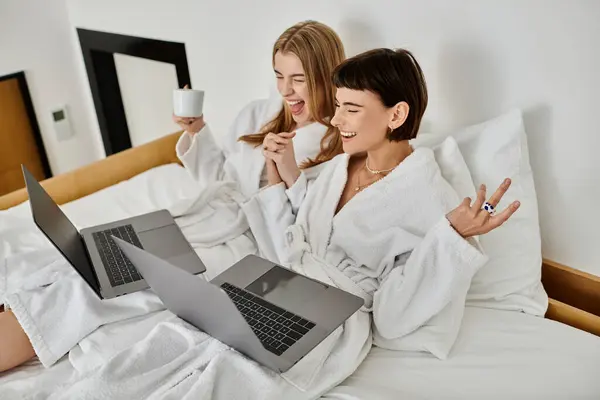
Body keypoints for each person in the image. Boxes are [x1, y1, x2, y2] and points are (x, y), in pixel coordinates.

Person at [21, 48, 520, 399]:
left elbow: (393, 316)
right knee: (167, 345)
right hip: (275, 279)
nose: (338, 120)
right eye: (339, 105)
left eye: (351, 108)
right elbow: (295, 227)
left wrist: (451, 237)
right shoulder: (339, 166)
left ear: (397, 114)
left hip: (334, 318)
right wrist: (280, 182)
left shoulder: (431, 200)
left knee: (220, 379)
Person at [0, 20, 346, 375]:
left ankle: (27, 329)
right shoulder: (262, 114)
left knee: (95, 291)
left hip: (240, 243)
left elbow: (302, 241)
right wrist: (197, 130)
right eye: (278, 75)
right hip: (207, 216)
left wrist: (286, 176)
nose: (286, 90)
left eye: (298, 79)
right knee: (90, 254)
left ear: (324, 74)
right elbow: (222, 178)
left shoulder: (334, 149)